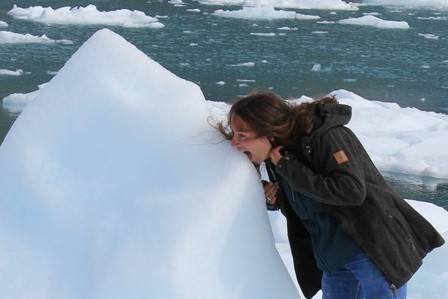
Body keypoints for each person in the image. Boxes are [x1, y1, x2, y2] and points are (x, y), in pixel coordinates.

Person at [217, 91, 445, 299]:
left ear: (269, 131)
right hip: (333, 257)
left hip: (369, 250)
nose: (235, 143)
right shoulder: (282, 157)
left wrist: (290, 168)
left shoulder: (326, 138)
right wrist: (277, 198)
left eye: (242, 135)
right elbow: (311, 202)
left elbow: (351, 191)